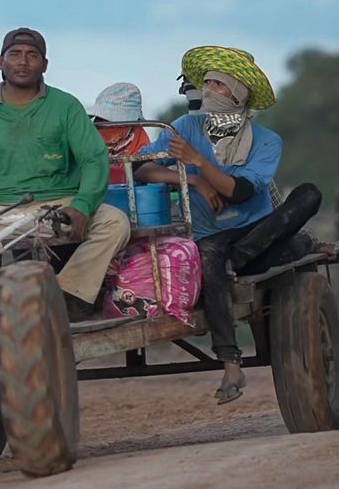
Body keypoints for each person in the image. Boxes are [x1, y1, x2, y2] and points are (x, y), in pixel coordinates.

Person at [135, 46, 321, 404]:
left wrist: (196, 163)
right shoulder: (185, 126)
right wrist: (192, 181)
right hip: (213, 237)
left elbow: (240, 193)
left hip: (257, 230)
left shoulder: (267, 140)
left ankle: (243, 257)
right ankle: (231, 362)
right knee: (210, 256)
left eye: (218, 85)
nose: (208, 91)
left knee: (309, 194)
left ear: (238, 93)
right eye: (206, 84)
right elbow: (144, 169)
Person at [0, 27, 132, 320]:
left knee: (115, 222)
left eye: (32, 56)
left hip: (58, 207)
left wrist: (81, 205)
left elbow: (93, 158)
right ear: (0, 61)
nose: (22, 62)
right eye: (14, 54)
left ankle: (69, 297)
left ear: (44, 65)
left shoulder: (65, 105)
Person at [88, 82, 152, 187]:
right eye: (101, 119)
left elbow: (147, 168)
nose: (106, 126)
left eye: (112, 120)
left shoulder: (139, 138)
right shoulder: (88, 133)